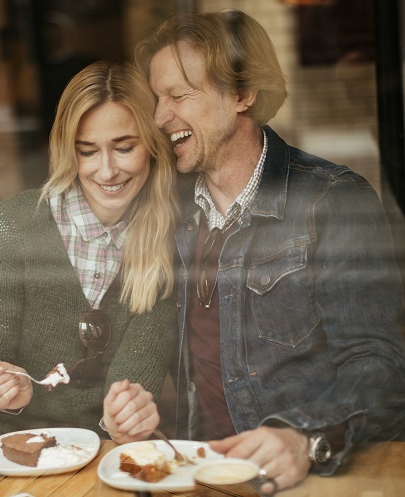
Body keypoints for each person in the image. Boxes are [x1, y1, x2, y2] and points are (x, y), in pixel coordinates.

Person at [134, 9, 405, 493]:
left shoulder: (331, 199)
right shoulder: (170, 212)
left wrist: (303, 436)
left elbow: (378, 363)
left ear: (243, 94)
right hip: (198, 476)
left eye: (178, 95)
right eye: (158, 98)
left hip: (306, 478)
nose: (159, 117)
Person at [0, 61, 179, 443]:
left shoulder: (167, 248)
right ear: (69, 152)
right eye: (87, 151)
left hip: (91, 457)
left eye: (125, 147)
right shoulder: (9, 228)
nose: (106, 170)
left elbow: (131, 389)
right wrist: (6, 394)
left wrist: (121, 421)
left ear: (152, 145)